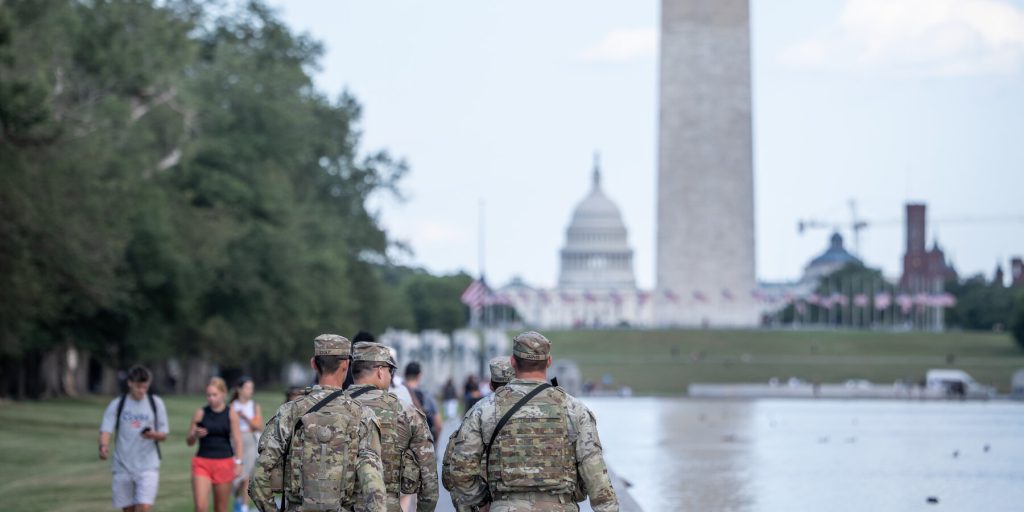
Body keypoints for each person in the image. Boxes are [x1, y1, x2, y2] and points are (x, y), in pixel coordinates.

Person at [443, 331, 619, 512]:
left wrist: (483, 500)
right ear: (549, 361)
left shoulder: (484, 409)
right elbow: (597, 478)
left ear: (513, 361)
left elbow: (460, 471)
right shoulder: (575, 410)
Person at [249, 334, 386, 512]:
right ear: (346, 365)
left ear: (313, 363)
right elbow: (373, 483)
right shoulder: (362, 415)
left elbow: (258, 478)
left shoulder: (290, 412)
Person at [345, 341, 438, 512]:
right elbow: (429, 479)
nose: (391, 376)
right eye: (391, 371)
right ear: (380, 371)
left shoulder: (333, 407)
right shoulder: (406, 412)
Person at [99, 364, 169, 512]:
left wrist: (153, 435)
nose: (142, 391)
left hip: (148, 465)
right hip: (123, 465)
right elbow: (106, 429)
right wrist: (103, 446)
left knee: (144, 507)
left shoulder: (156, 403)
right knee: (128, 509)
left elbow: (164, 435)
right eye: (138, 387)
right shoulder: (118, 404)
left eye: (145, 387)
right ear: (130, 383)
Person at [188, 377, 244, 512]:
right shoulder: (201, 412)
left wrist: (238, 462)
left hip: (224, 462)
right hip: (202, 462)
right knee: (200, 507)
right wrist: (195, 434)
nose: (211, 398)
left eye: (214, 395)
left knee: (221, 508)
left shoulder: (231, 413)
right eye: (208, 395)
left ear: (223, 394)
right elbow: (189, 442)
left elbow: (237, 440)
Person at [230, 376, 263, 512]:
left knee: (246, 476)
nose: (250, 391)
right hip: (234, 441)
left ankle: (243, 507)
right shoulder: (232, 406)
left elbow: (259, 425)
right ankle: (238, 500)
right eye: (248, 388)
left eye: (251, 388)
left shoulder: (254, 406)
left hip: (249, 441)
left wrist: (244, 418)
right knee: (235, 476)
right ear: (239, 389)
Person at [404, 362, 442, 444]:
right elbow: (438, 425)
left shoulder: (397, 394)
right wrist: (434, 443)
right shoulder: (426, 395)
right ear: (419, 375)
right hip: (423, 445)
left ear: (405, 375)